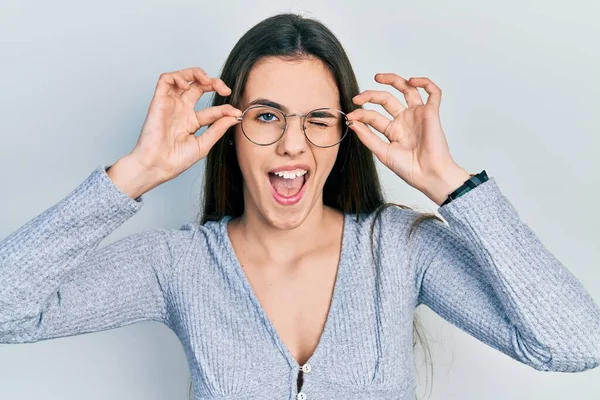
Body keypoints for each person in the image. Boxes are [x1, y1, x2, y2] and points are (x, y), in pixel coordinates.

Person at [1, 12, 599, 400]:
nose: (293, 143)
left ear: (346, 132)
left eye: (318, 119)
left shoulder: (401, 249)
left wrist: (451, 185)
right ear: (227, 129)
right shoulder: (176, 265)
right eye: (266, 117)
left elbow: (575, 347)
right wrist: (134, 175)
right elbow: (8, 311)